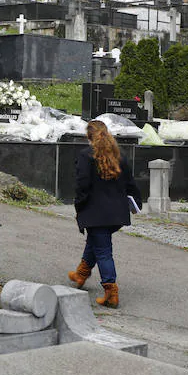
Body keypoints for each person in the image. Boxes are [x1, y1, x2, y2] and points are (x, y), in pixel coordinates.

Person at [67, 120, 141, 308]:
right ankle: (81, 273)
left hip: (96, 212)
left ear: (89, 136)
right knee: (96, 241)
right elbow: (130, 183)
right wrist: (136, 204)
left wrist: (79, 205)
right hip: (116, 213)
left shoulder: (86, 156)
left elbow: (83, 185)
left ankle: (111, 291)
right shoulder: (119, 155)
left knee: (103, 250)